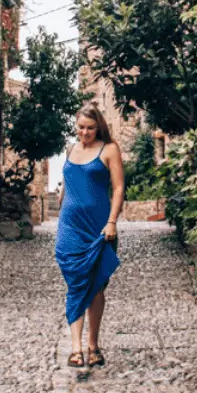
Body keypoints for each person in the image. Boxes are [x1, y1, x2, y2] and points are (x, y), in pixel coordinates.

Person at [55, 105, 124, 367]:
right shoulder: (70, 149)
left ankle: (93, 345)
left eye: (90, 128)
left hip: (99, 228)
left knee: (95, 287)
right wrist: (62, 204)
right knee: (75, 283)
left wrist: (112, 222)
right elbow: (67, 183)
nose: (84, 132)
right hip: (70, 227)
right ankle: (76, 349)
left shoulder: (109, 150)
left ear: (99, 127)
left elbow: (118, 189)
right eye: (81, 127)